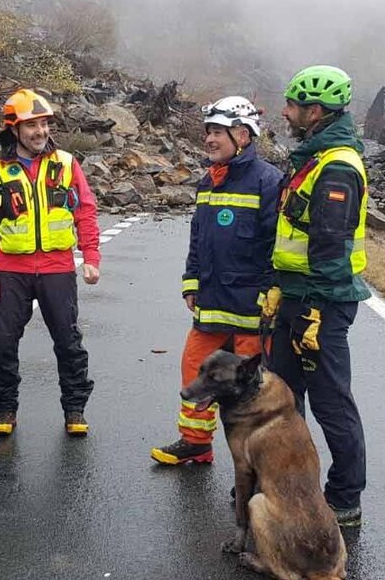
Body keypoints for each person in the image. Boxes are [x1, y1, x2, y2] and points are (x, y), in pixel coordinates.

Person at [261, 64, 370, 527]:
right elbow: (291, 234)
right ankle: (288, 486)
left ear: (315, 111)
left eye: (292, 105)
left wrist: (316, 311)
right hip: (294, 294)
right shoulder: (310, 156)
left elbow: (330, 246)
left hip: (321, 300)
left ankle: (344, 499)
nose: (285, 112)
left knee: (330, 402)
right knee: (281, 398)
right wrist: (275, 285)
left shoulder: (338, 166)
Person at [150, 96, 282, 466]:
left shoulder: (268, 182)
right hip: (211, 301)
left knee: (254, 389)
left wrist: (271, 292)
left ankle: (260, 462)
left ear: (242, 135)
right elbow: (199, 238)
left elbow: (278, 245)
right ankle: (195, 443)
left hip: (251, 310)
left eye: (216, 132)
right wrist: (191, 280)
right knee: (195, 369)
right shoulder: (208, 181)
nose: (208, 139)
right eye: (207, 131)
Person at [0, 89, 102, 437]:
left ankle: (75, 408)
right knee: (2, 343)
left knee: (68, 341)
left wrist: (90, 257)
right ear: (14, 130)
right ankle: (5, 408)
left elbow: (85, 211)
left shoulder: (67, 163)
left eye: (43, 124)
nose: (40, 131)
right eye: (31, 125)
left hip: (57, 268)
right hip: (10, 270)